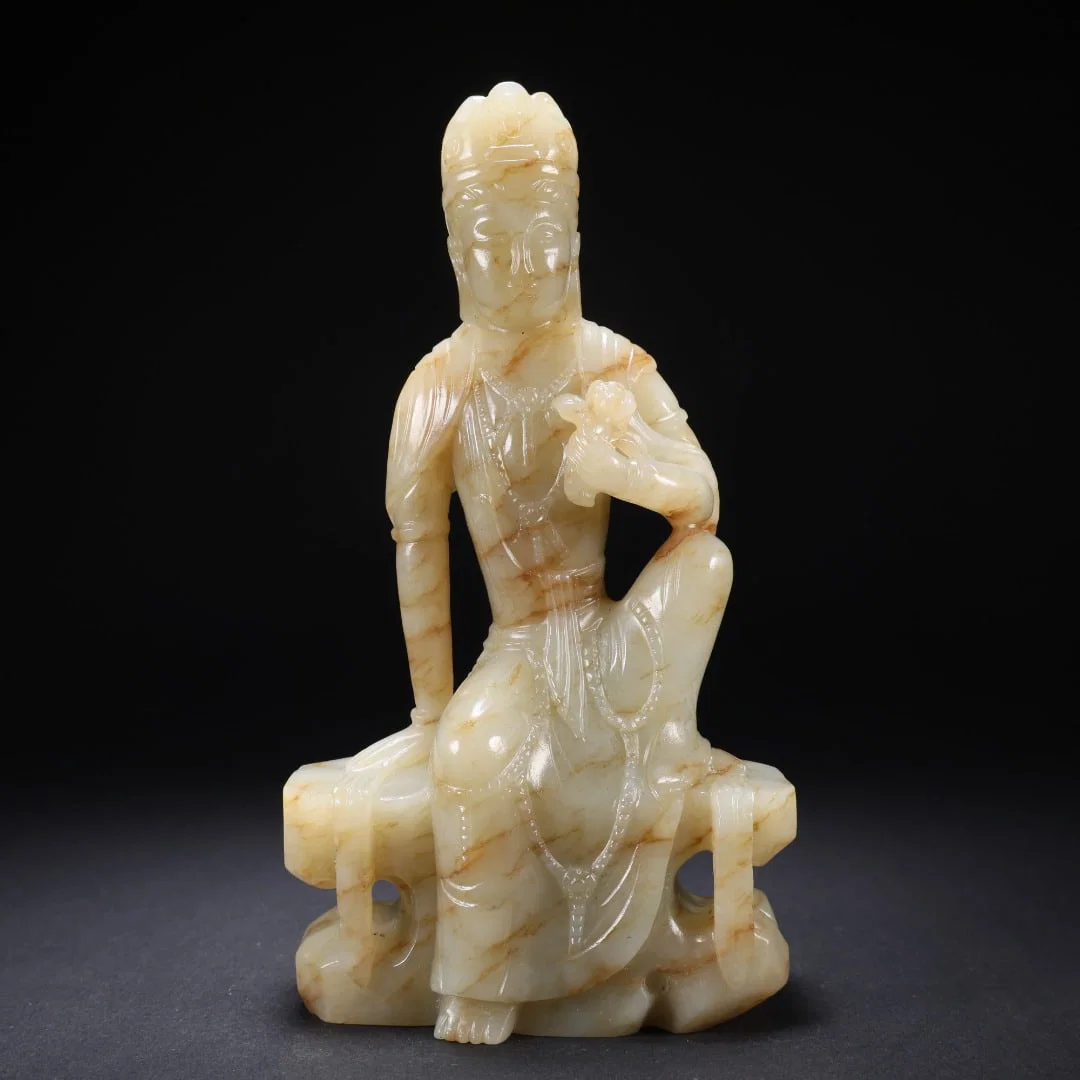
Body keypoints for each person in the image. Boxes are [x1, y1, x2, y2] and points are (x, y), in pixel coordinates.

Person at [385, 82, 737, 1044]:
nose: (521, 262)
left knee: (707, 564)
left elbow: (702, 494)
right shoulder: (440, 386)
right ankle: (490, 984)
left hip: (609, 631)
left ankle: (668, 738)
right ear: (456, 250)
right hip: (519, 642)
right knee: (477, 767)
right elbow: (419, 550)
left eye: (541, 234)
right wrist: (431, 712)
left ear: (574, 239)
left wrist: (626, 470)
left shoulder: (611, 361)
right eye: (492, 239)